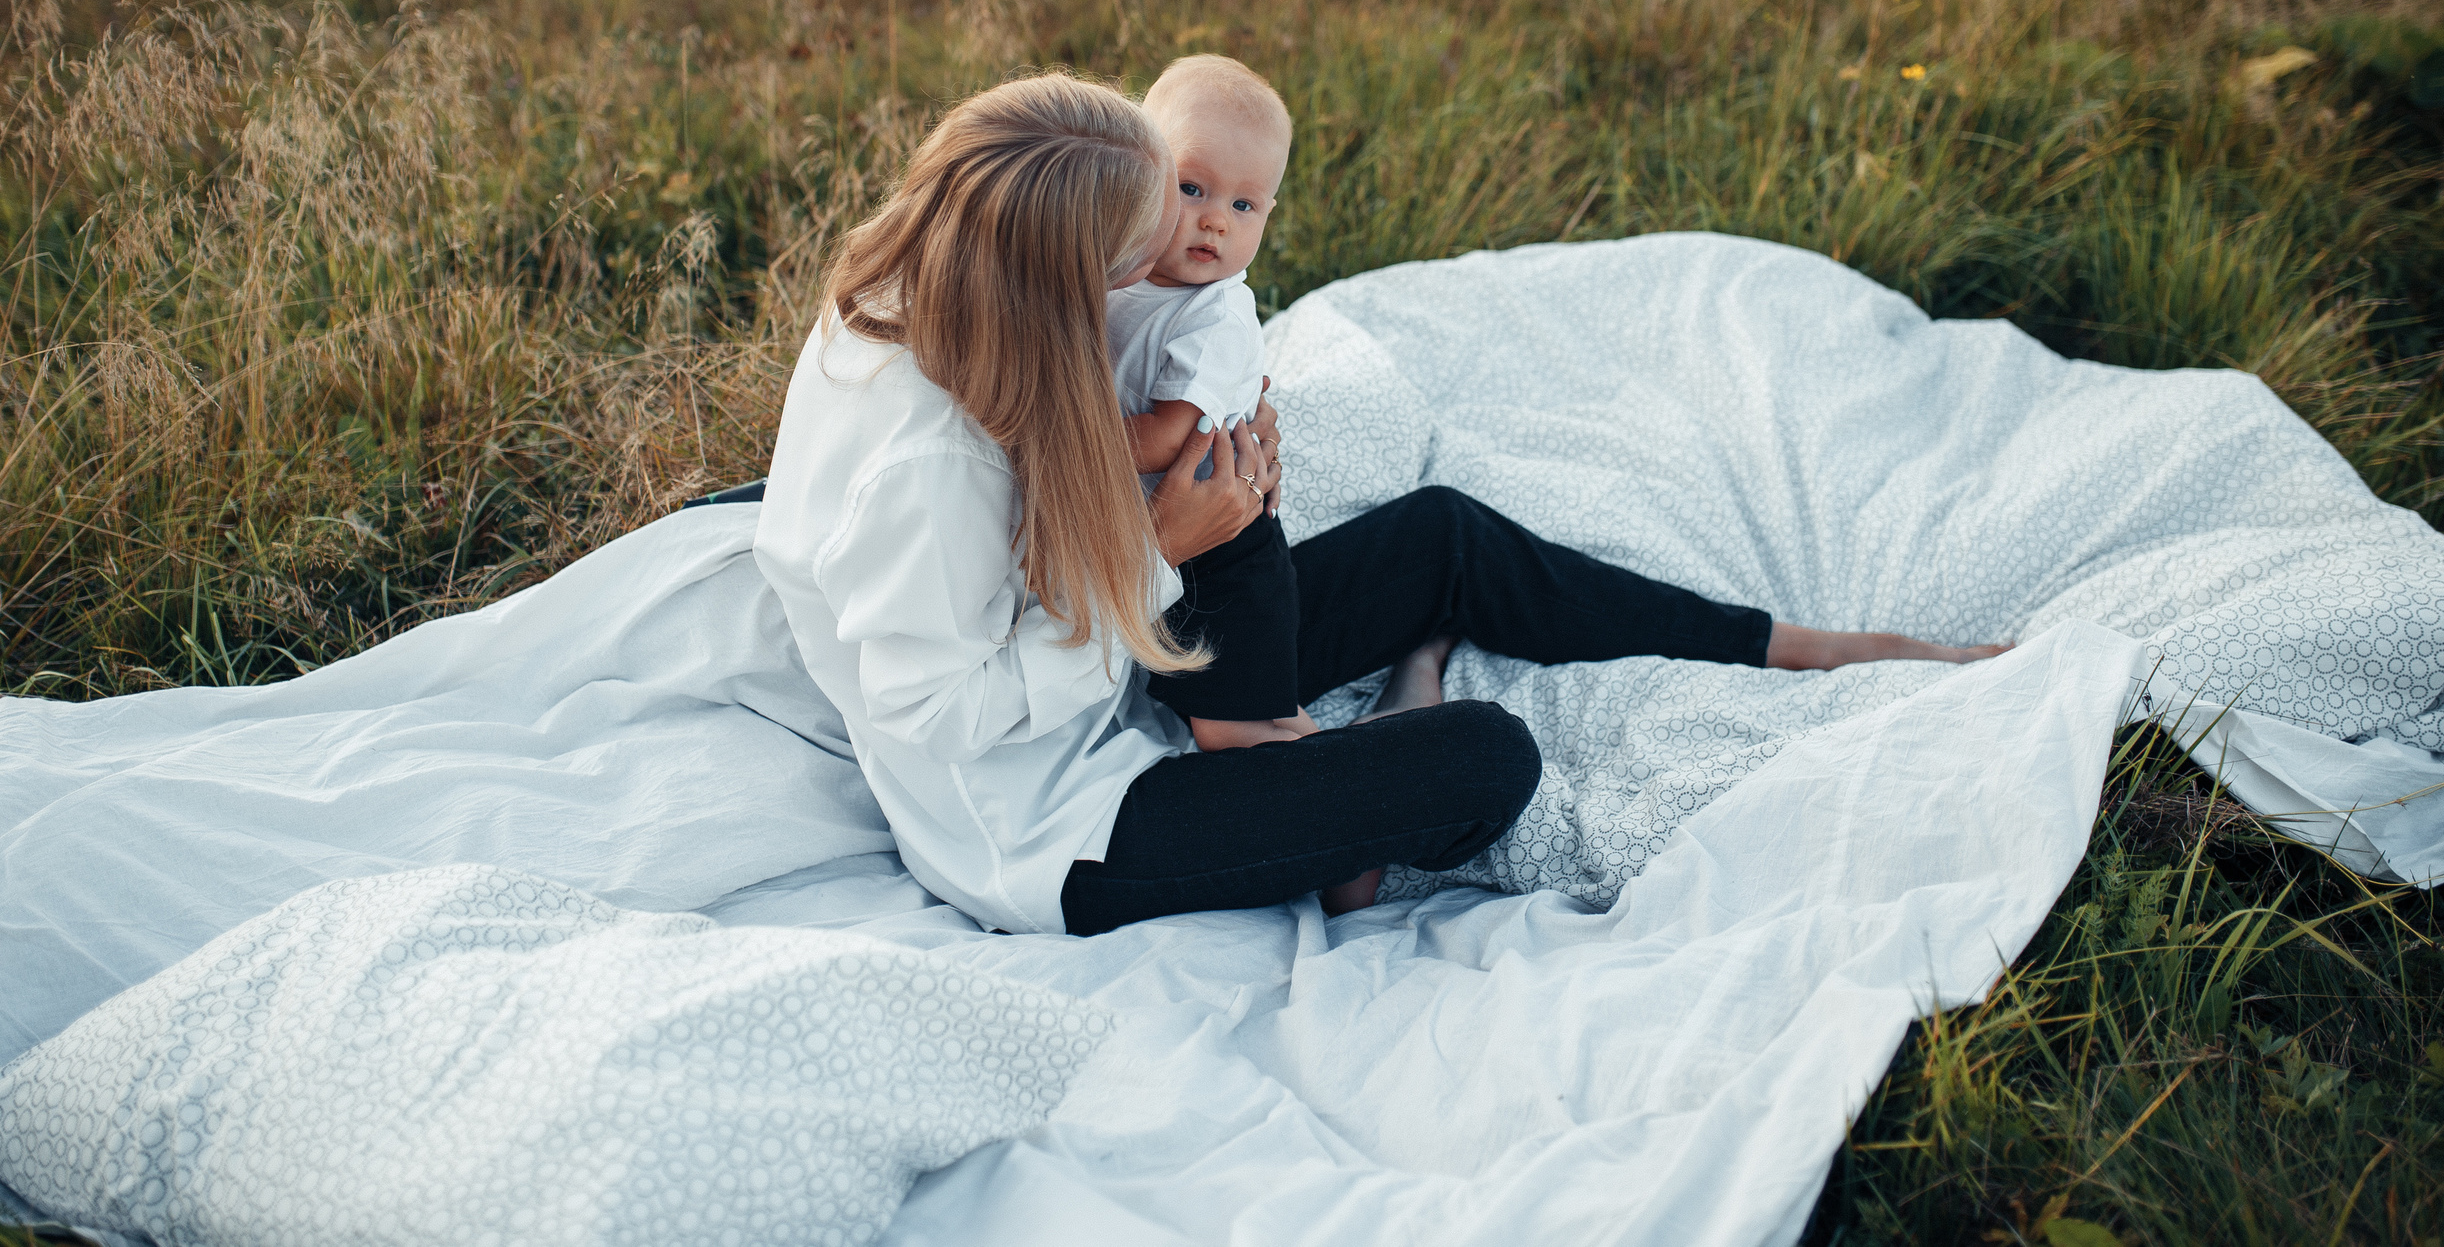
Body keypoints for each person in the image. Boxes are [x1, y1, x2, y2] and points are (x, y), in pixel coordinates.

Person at [755, 73, 2004, 939]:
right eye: (1130, 260)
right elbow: (947, 715)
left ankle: (1785, 643)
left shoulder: (969, 288)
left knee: (1439, 536)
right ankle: (1364, 739)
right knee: (1482, 758)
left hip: (1115, 652)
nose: (1157, 270)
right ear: (1053, 273)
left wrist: (1195, 516)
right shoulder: (916, 458)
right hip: (1058, 826)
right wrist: (1155, 562)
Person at [1107, 54, 1303, 730]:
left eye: (1243, 204)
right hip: (1159, 532)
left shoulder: (1216, 315)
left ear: (1268, 213)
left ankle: (1379, 750)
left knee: (1238, 732)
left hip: (1223, 554)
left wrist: (1051, 434)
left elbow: (1166, 436)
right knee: (1181, 712)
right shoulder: (1121, 274)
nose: (1217, 220)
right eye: (1193, 187)